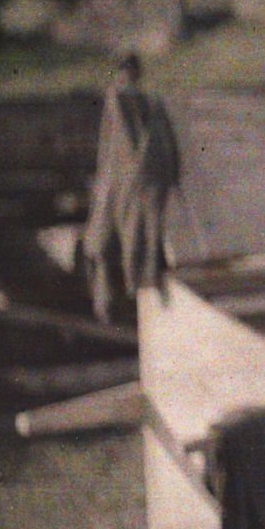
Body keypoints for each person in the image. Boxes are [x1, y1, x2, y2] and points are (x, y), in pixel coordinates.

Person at [81, 52, 181, 326]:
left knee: (135, 239)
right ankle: (121, 301)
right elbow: (119, 146)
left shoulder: (142, 101)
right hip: (126, 185)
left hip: (134, 185)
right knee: (112, 243)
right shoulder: (120, 99)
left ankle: (136, 292)